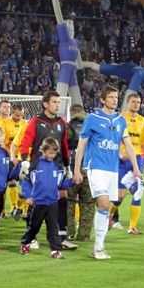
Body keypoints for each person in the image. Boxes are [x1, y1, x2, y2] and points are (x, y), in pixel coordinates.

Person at [72, 85, 141, 260]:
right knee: (103, 205)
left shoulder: (120, 120)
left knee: (107, 207)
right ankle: (99, 247)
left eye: (116, 97)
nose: (114, 100)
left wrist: (136, 168)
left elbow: (129, 145)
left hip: (112, 170)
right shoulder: (92, 119)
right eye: (111, 97)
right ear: (102, 100)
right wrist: (76, 170)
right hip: (96, 168)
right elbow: (81, 146)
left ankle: (99, 247)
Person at [15, 92, 72, 249]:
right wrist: (25, 161)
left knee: (61, 197)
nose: (57, 105)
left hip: (57, 165)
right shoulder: (36, 121)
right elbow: (26, 141)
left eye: (58, 102)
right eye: (54, 102)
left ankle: (61, 236)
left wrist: (67, 166)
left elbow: (65, 145)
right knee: (36, 199)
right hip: (38, 165)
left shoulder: (62, 122)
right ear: (45, 104)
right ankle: (31, 236)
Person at [20, 137, 74, 258]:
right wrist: (28, 196)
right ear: (43, 151)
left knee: (53, 227)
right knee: (34, 227)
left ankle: (55, 250)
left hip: (53, 202)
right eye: (50, 152)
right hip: (38, 202)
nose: (52, 155)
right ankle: (25, 243)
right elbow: (26, 182)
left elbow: (61, 185)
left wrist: (72, 182)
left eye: (54, 153)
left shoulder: (58, 167)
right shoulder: (35, 165)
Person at [113, 93, 144, 234]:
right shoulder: (120, 118)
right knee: (120, 194)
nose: (136, 104)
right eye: (133, 102)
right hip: (122, 160)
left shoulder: (143, 121)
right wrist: (119, 152)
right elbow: (113, 137)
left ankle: (132, 227)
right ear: (128, 103)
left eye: (138, 102)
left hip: (137, 159)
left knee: (138, 192)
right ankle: (111, 215)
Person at [65, 103, 95, 242]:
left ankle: (69, 232)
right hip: (89, 168)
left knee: (69, 202)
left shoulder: (68, 127)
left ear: (72, 113)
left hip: (71, 169)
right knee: (88, 203)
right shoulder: (93, 126)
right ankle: (84, 235)